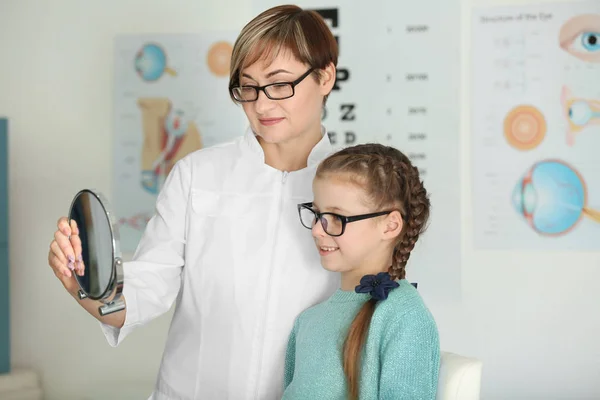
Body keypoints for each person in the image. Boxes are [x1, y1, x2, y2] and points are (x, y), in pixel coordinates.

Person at [47, 5, 341, 399]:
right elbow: (145, 289)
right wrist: (86, 286)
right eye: (248, 87)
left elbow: (369, 307)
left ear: (325, 76)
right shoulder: (197, 174)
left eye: (279, 83)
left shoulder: (357, 189)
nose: (262, 104)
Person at [283, 144, 440, 399]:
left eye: (337, 217)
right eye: (318, 214)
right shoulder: (308, 321)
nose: (317, 230)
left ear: (390, 226)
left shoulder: (404, 318)